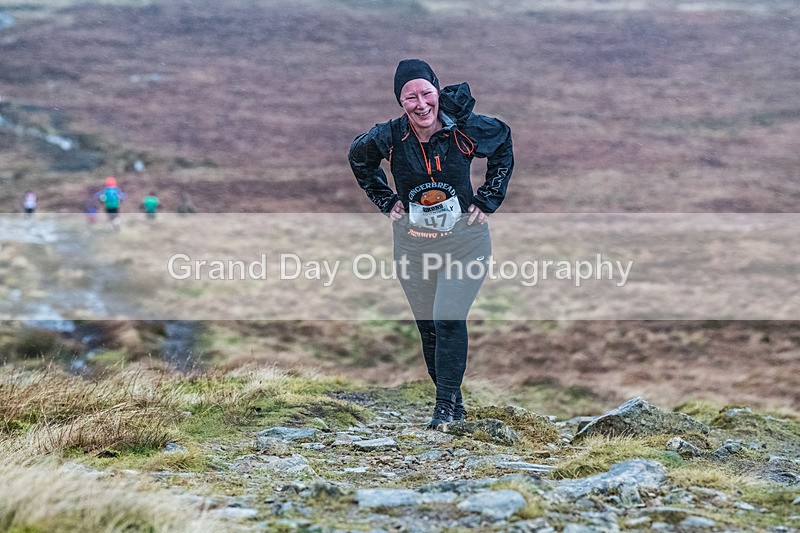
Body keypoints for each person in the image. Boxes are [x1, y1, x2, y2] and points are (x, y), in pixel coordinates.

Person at [348, 59, 513, 430]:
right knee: (429, 327)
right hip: (413, 246)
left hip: (465, 242)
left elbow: (503, 140)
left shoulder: (465, 128)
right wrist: (384, 199)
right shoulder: (389, 136)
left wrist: (488, 198)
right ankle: (454, 406)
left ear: (437, 92)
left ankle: (442, 410)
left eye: (426, 93)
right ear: (400, 101)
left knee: (448, 318)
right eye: (410, 97)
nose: (421, 104)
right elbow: (358, 158)